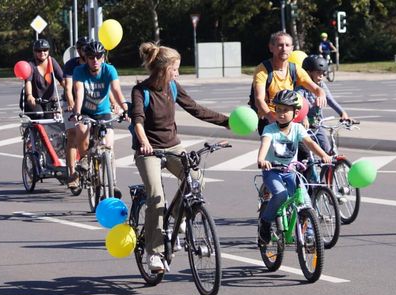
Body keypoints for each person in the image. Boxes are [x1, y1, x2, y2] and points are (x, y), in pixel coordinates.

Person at [130, 42, 230, 273]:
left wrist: (227, 121)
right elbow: (137, 121)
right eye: (175, 68)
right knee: (155, 196)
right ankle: (154, 254)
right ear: (164, 69)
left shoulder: (172, 87)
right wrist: (144, 144)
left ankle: (176, 216)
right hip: (150, 152)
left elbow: (195, 108)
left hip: (173, 147)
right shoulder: (141, 91)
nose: (177, 72)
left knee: (196, 180)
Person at [256, 90, 331, 246]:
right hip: (272, 172)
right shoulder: (270, 130)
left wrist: (324, 155)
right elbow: (265, 144)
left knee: (305, 201)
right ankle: (266, 221)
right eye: (278, 109)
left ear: (296, 112)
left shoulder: (297, 129)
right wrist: (262, 159)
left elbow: (310, 143)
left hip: (291, 172)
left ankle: (309, 233)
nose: (281, 113)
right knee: (281, 194)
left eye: (286, 110)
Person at [70, 41, 128, 190]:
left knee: (109, 145)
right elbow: (79, 93)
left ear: (103, 57)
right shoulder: (79, 71)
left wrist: (125, 108)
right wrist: (77, 113)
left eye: (98, 56)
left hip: (103, 112)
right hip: (85, 112)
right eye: (90, 56)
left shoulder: (110, 70)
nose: (95, 60)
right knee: (82, 131)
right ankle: (83, 160)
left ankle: (112, 184)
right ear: (86, 58)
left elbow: (116, 90)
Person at [251, 32, 326, 135]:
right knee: (275, 150)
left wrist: (321, 95)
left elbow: (317, 89)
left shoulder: (294, 69)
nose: (284, 49)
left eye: (287, 45)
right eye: (280, 45)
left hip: (289, 120)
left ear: (292, 49)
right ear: (271, 48)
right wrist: (271, 118)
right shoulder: (262, 70)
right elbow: (259, 99)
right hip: (269, 120)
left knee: (305, 150)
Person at [24, 38, 66, 113]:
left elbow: (62, 80)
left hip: (50, 101)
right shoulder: (31, 64)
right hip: (35, 101)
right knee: (39, 115)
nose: (42, 52)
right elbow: (28, 81)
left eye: (45, 50)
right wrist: (29, 95)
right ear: (34, 52)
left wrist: (70, 92)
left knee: (54, 121)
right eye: (39, 50)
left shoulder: (52, 61)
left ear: (48, 51)